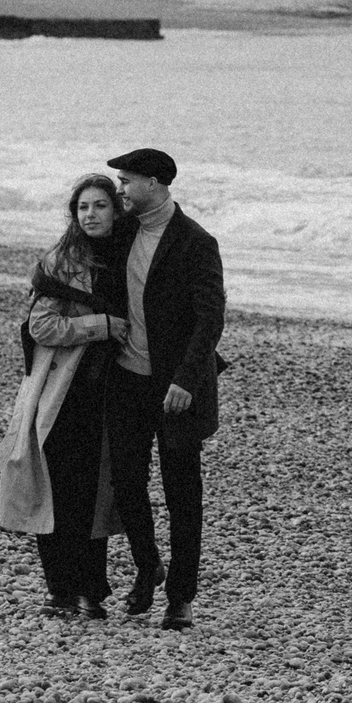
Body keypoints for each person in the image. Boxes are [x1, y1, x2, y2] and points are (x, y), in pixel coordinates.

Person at [0, 175, 129, 616]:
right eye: (83, 207)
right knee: (56, 487)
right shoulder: (62, 261)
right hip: (63, 392)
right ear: (74, 213)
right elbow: (40, 327)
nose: (91, 215)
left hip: (112, 389)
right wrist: (99, 326)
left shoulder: (130, 258)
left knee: (97, 491)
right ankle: (60, 590)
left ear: (116, 210)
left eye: (100, 206)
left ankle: (93, 589)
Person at [104, 147, 225, 631]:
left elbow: (210, 318)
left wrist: (186, 380)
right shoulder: (123, 232)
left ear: (154, 183)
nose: (121, 190)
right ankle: (146, 564)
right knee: (127, 481)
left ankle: (181, 597)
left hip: (177, 389)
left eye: (128, 181)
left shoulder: (196, 242)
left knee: (182, 494)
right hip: (128, 379)